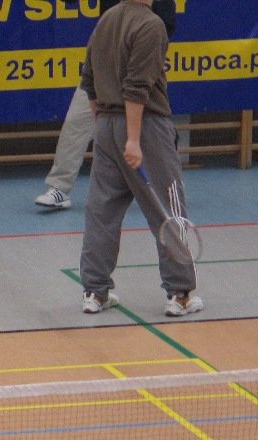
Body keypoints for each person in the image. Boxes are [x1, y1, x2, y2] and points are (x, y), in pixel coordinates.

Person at [77, 0, 203, 317]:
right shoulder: (151, 25)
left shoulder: (106, 20)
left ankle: (94, 291)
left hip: (106, 125)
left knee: (101, 212)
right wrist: (132, 139)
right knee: (167, 209)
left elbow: (88, 81)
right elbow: (137, 88)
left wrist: (105, 128)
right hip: (145, 128)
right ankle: (180, 293)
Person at [34, 0, 177, 211]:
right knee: (76, 122)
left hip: (139, 66)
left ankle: (168, 188)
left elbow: (167, 25)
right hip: (105, 66)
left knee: (155, 129)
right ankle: (59, 188)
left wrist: (137, 44)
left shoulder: (153, 18)